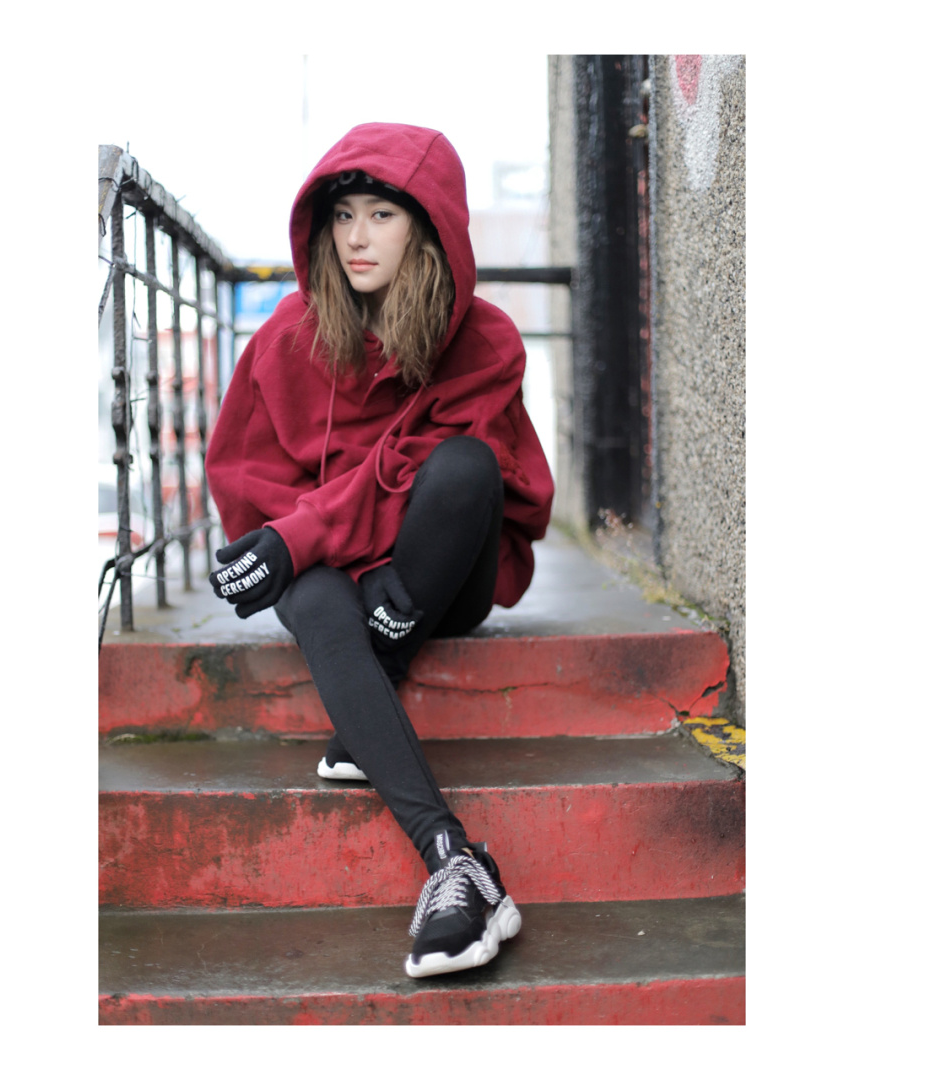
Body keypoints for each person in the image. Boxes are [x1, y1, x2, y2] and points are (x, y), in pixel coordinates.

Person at [205, 122, 553, 978]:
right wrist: (304, 544)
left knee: (462, 466)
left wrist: (303, 536)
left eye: (382, 215)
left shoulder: (484, 341)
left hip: (432, 581)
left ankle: (374, 686)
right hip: (340, 583)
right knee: (320, 595)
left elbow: (426, 474)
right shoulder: (287, 336)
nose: (356, 237)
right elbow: (249, 477)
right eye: (343, 216)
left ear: (427, 227)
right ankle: (454, 860)